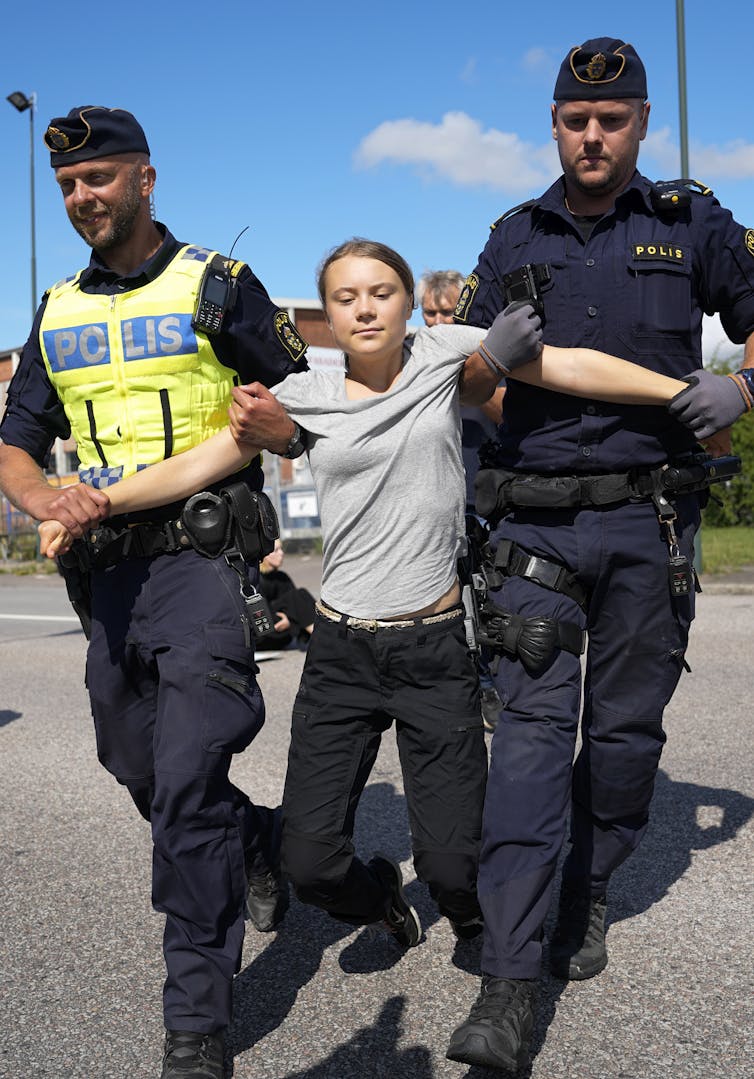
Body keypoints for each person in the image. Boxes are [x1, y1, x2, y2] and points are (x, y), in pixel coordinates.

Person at [40, 239, 713, 974]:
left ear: (405, 299)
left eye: (382, 291)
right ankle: (383, 896)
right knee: (309, 862)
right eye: (345, 297)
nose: (365, 308)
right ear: (327, 314)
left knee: (456, 866)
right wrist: (96, 500)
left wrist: (680, 390)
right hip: (340, 654)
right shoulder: (299, 394)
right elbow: (198, 462)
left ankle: (468, 917)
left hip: (434, 651)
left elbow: (569, 366)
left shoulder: (445, 353)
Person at [447, 37, 754, 1073]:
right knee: (529, 747)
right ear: (551, 123)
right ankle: (506, 982)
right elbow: (460, 387)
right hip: (532, 524)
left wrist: (745, 388)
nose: (591, 135)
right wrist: (488, 364)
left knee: (622, 741)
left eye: (610, 119)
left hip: (649, 523)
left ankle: (588, 887)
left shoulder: (691, 224)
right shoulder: (507, 236)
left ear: (640, 122)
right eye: (574, 120)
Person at [0, 105, 309, 1079]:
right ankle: (251, 837)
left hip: (201, 564)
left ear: (145, 177)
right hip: (105, 578)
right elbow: (13, 440)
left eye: (99, 178)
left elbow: (296, 400)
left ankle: (197, 1024)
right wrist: (42, 491)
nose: (84, 198)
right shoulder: (55, 309)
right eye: (67, 187)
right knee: (132, 758)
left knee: (181, 780)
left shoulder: (219, 284)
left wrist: (278, 430)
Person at [417, 269, 505, 732]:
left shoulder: (490, 357)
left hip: (485, 499)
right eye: (429, 313)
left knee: (486, 598)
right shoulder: (415, 362)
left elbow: (509, 413)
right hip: (434, 501)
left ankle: (491, 682)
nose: (437, 322)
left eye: (447, 312)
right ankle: (460, 686)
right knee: (445, 604)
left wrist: (468, 377)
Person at [255, 539, 316, 651]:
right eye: (276, 550)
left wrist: (290, 621)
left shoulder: (282, 577)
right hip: (264, 637)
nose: (282, 553)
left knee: (300, 594)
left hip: (284, 635)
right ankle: (320, 638)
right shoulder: (255, 580)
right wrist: (292, 621)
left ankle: (321, 634)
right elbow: (261, 622)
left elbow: (299, 609)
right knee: (296, 596)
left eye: (281, 549)